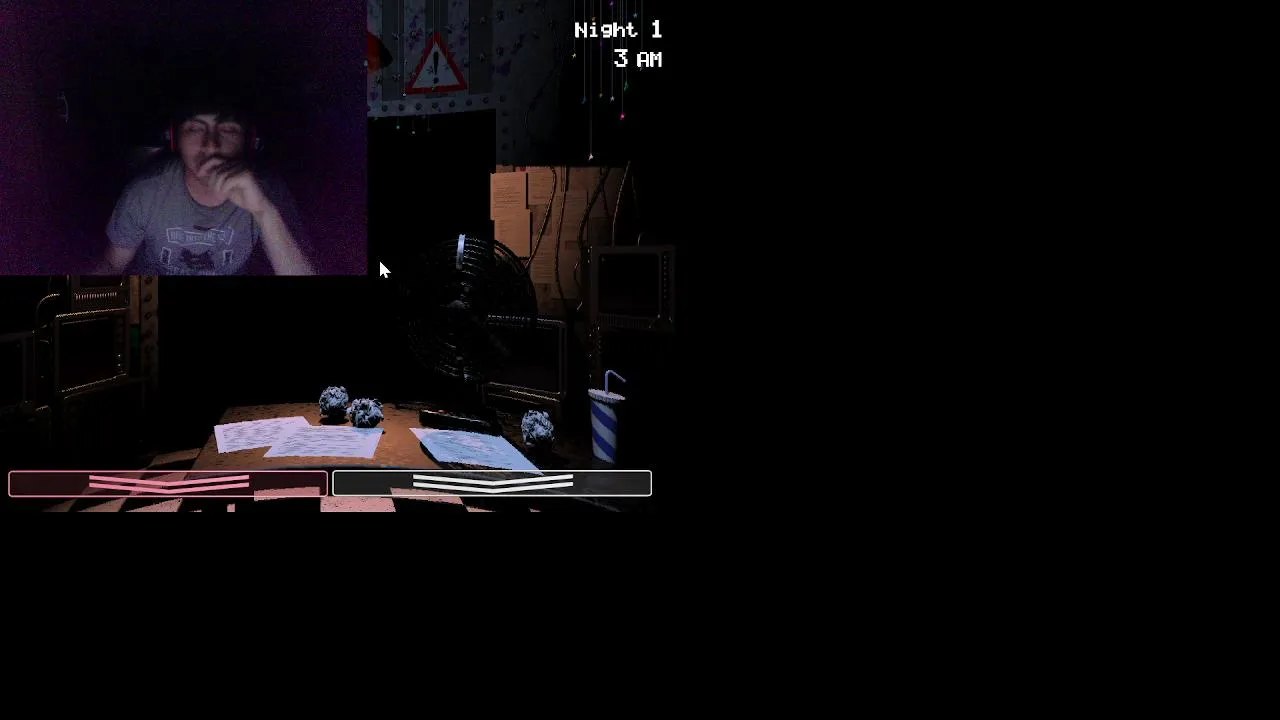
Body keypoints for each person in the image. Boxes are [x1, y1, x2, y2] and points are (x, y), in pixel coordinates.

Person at [96, 93, 316, 275]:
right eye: (195, 129)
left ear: (249, 141)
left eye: (228, 129)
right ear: (175, 140)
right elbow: (112, 265)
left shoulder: (267, 190)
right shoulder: (146, 190)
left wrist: (264, 212)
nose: (211, 145)